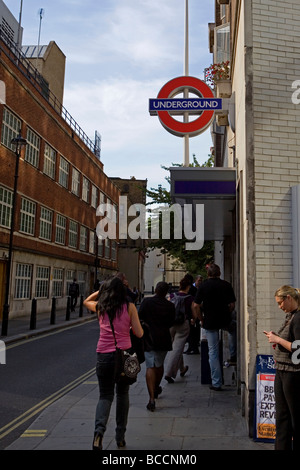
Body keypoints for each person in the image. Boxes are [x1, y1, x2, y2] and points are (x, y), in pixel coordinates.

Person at [83, 276, 143, 450]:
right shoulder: (130, 307)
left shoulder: (101, 307)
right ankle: (120, 437)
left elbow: (87, 301)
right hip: (124, 354)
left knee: (105, 395)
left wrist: (101, 291)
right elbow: (139, 334)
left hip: (103, 355)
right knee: (122, 394)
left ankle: (98, 434)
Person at [264, 285, 300, 450]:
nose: (279, 307)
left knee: (290, 416)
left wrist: (278, 341)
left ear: (289, 298)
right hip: (283, 369)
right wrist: (277, 340)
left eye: (280, 303)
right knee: (282, 416)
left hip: (292, 373)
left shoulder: (298, 318)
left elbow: (298, 347)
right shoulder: (291, 316)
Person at [193, 263, 236, 391]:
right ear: (220, 273)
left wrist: (201, 319)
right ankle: (233, 354)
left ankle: (216, 382)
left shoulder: (203, 286)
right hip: (224, 318)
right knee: (233, 330)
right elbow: (232, 304)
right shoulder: (226, 285)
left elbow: (196, 305)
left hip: (210, 320)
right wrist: (227, 312)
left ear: (208, 274)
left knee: (213, 352)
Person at [138, 281, 175, 411]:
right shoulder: (170, 306)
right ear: (166, 293)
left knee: (150, 366)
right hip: (164, 339)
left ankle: (151, 398)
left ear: (155, 290)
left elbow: (139, 317)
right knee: (159, 365)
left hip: (149, 338)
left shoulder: (147, 302)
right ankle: (156, 387)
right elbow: (171, 322)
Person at [164, 276, 194, 384]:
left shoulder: (172, 295)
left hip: (171, 323)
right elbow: (193, 310)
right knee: (177, 348)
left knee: (177, 347)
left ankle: (182, 368)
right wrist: (193, 320)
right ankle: (169, 373)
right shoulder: (189, 298)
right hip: (183, 323)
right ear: (188, 287)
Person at [184, 274, 203, 354]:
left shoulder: (191, 290)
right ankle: (191, 347)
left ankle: (193, 348)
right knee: (192, 332)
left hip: (192, 312)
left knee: (192, 332)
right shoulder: (194, 289)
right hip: (194, 312)